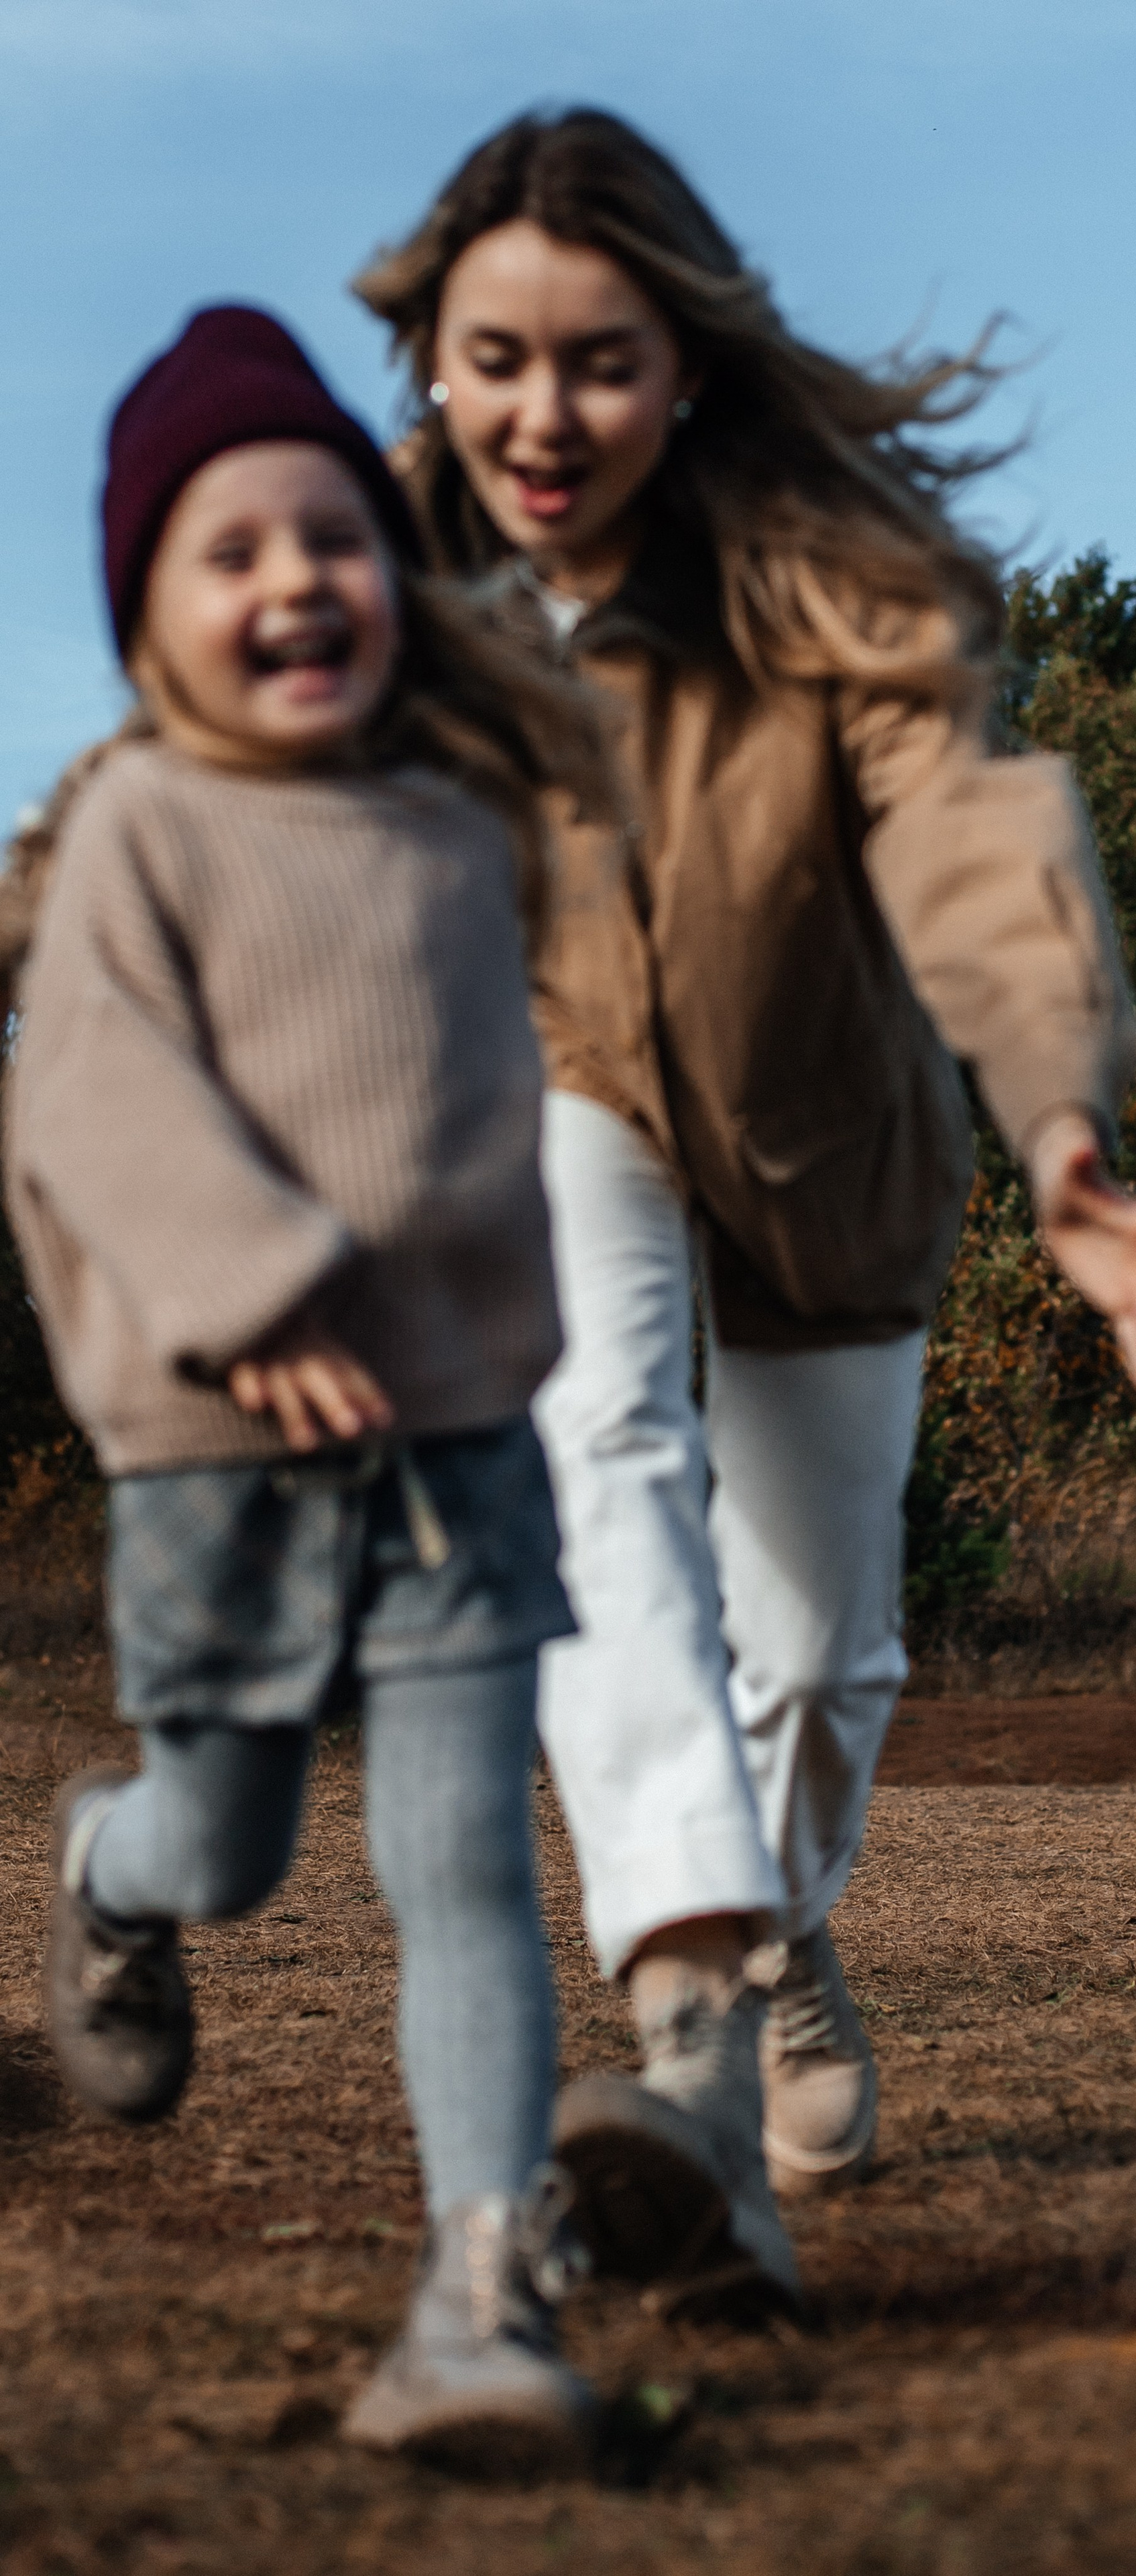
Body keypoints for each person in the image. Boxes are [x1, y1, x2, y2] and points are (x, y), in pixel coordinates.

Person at [355, 108, 1136, 2320]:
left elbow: (977, 847)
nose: (546, 416)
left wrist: (1061, 1134)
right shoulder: (385, 584)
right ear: (434, 359)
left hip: (840, 1164)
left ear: (688, 364)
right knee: (598, 1463)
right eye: (498, 360)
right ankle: (692, 2029)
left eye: (602, 362)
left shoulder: (832, 577)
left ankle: (773, 1938)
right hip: (562, 1102)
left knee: (829, 1657)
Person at [3, 306, 611, 2463]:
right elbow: (90, 1096)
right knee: (238, 1846)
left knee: (464, 1861)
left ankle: (481, 2288)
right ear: (148, 615)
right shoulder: (141, 833)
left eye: (330, 537)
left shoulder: (457, 826)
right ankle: (115, 1865)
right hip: (221, 1440)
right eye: (228, 551)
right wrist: (258, 1299)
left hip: (452, 1438)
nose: (291, 582)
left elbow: (476, 1110)